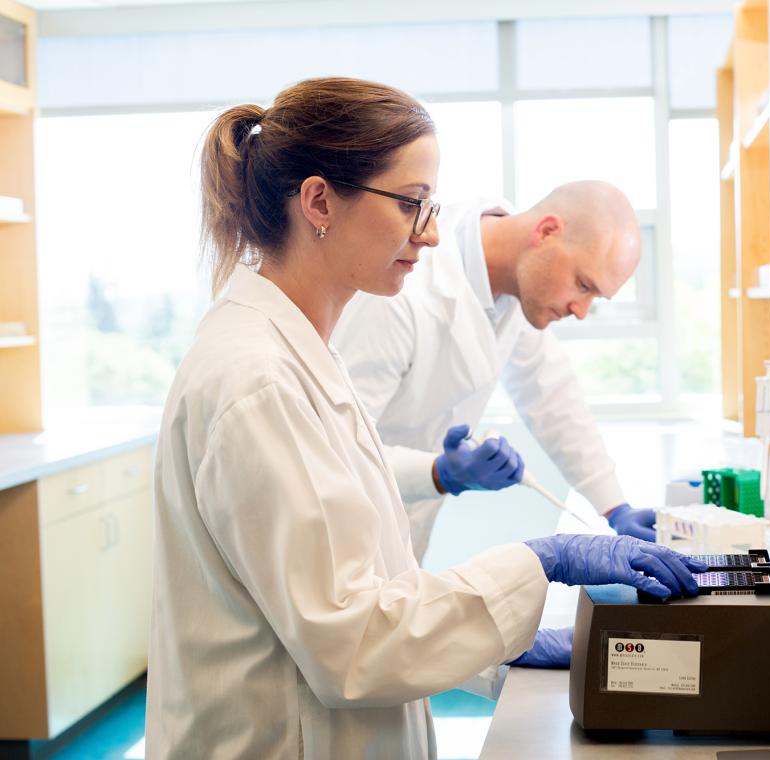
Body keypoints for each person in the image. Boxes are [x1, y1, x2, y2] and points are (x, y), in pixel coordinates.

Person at [146, 77, 706, 759]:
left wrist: (504, 643)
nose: (433, 232)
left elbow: (358, 588)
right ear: (319, 201)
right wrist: (538, 563)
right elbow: (350, 641)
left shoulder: (300, 355)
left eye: (432, 205)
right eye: (412, 204)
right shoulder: (259, 382)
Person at [333, 179, 659, 563]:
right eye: (583, 285)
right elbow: (334, 449)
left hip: (401, 529)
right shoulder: (400, 290)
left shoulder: (517, 288)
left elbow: (553, 397)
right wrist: (439, 473)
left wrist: (615, 507)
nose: (581, 310)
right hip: (340, 530)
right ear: (547, 232)